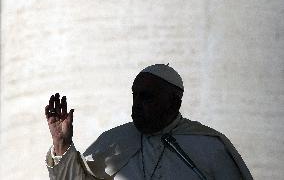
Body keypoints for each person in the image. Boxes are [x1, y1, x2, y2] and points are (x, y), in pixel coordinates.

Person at [45, 64, 253, 180]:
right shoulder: (115, 141)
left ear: (174, 102)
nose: (137, 105)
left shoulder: (208, 147)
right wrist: (61, 143)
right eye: (135, 96)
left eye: (147, 97)